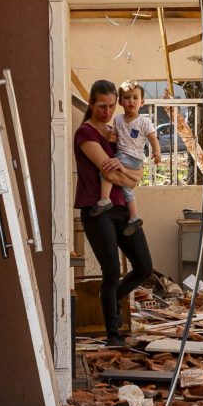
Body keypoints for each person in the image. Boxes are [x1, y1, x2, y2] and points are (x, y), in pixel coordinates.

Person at [74, 79, 154, 347]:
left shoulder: (116, 131)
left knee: (143, 267)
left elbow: (135, 176)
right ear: (91, 104)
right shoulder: (85, 134)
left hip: (122, 208)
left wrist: (129, 175)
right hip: (98, 210)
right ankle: (113, 334)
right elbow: (109, 171)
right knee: (110, 271)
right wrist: (130, 176)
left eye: (111, 106)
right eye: (101, 106)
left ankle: (109, 300)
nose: (107, 111)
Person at [90, 80, 161, 236]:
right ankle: (134, 217)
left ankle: (104, 199)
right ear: (120, 101)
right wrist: (112, 137)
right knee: (126, 189)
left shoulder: (144, 121)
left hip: (133, 157)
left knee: (107, 170)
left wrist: (157, 152)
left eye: (135, 98)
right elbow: (115, 137)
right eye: (127, 98)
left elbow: (153, 137)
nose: (131, 101)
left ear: (142, 102)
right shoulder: (118, 120)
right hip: (123, 154)